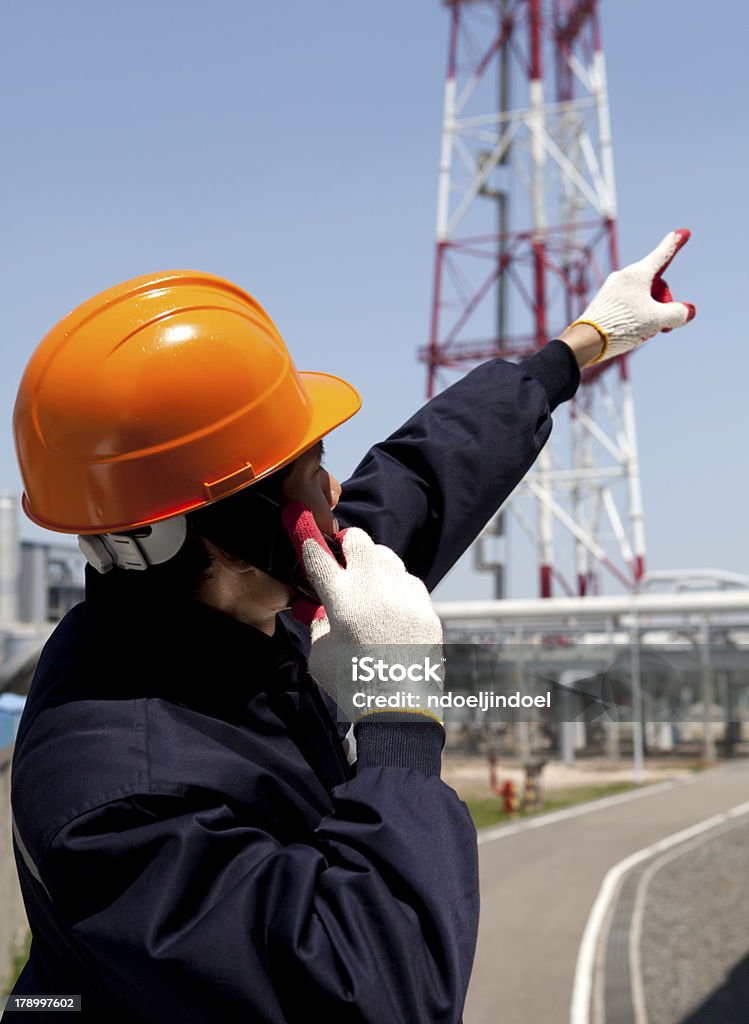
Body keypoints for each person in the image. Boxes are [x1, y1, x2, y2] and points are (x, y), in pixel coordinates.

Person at [5, 231, 694, 1022]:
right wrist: (397, 711)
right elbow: (376, 993)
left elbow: (419, 479)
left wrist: (578, 346)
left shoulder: (227, 600)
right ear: (239, 534)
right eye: (313, 467)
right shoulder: (119, 800)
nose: (336, 484)